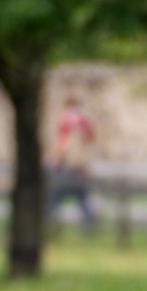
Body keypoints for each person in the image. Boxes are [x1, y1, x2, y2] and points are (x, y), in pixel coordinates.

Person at [50, 95, 97, 228]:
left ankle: (50, 227)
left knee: (54, 197)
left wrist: (56, 161)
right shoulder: (85, 121)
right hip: (81, 167)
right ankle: (89, 228)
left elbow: (63, 144)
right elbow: (91, 143)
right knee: (82, 199)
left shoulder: (67, 120)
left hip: (67, 166)